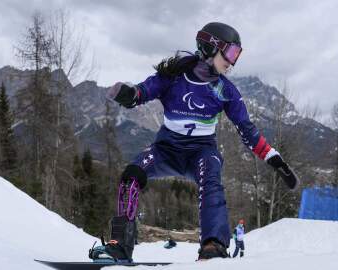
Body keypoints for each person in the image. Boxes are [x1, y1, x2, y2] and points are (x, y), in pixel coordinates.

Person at [104, 22, 300, 261]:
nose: (232, 62)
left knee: (211, 180)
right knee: (131, 175)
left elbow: (247, 130)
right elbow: (143, 92)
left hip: (201, 152)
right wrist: (130, 95)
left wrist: (274, 158)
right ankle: (120, 247)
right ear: (210, 47)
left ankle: (213, 246)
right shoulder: (172, 78)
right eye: (230, 53)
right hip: (166, 149)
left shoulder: (224, 90)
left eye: (237, 55)